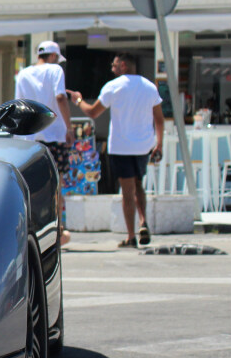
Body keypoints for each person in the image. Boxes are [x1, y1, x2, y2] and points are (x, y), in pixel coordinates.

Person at [69, 53, 164, 248]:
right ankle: (143, 221)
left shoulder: (113, 87)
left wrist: (78, 101)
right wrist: (159, 143)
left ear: (122, 65)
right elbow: (159, 118)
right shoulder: (149, 87)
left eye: (113, 66)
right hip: (143, 145)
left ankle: (131, 236)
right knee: (139, 184)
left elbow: (93, 112)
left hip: (121, 146)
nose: (112, 70)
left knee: (127, 192)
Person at [15, 40, 74, 245]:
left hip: (30, 138)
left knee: (30, 186)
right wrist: (69, 127)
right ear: (53, 56)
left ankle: (32, 228)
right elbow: (60, 97)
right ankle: (57, 228)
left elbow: (19, 105)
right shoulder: (55, 70)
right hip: (54, 135)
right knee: (56, 185)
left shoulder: (23, 74)